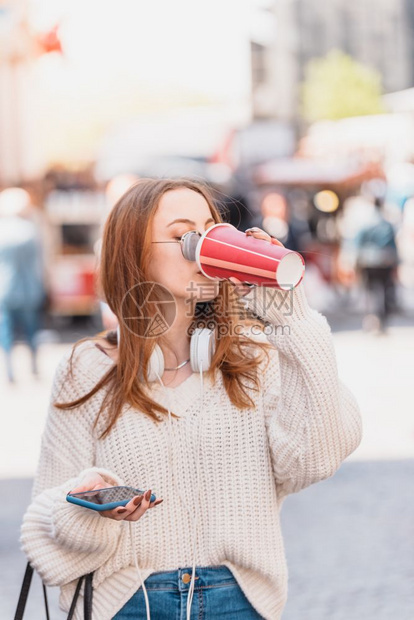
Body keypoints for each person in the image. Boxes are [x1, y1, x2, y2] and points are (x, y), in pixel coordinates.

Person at [20, 179, 362, 620]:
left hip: (238, 601)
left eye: (211, 230)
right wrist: (86, 504)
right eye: (185, 236)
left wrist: (291, 317)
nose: (202, 247)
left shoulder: (254, 357)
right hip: (127, 601)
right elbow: (45, 519)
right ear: (135, 253)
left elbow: (313, 461)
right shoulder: (87, 368)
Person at [0, 188, 46, 382]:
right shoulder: (29, 230)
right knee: (31, 329)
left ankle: (10, 370)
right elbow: (38, 263)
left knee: (6, 330)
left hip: (4, 287)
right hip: (28, 288)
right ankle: (33, 367)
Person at [354, 196, 399, 332]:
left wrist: (356, 262)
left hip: (367, 261)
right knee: (385, 290)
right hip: (385, 261)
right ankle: (382, 318)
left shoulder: (366, 223)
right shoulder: (387, 224)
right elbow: (393, 246)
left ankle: (371, 317)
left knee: (370, 291)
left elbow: (358, 243)